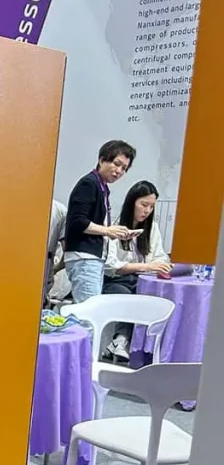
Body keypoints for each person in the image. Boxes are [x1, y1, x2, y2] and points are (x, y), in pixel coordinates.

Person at [102, 180, 171, 358]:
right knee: (130, 297)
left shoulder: (151, 228)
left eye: (151, 207)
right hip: (114, 280)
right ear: (132, 202)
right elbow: (111, 266)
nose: (147, 211)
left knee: (153, 295)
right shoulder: (115, 226)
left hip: (140, 279)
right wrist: (146, 266)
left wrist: (161, 265)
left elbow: (159, 255)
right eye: (144, 205)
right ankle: (122, 340)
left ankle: (129, 345)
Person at [64, 140, 138, 302]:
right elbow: (77, 221)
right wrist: (107, 230)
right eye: (116, 164)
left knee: (90, 309)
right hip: (84, 257)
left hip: (94, 257)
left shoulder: (101, 186)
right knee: (88, 311)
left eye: (124, 168)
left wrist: (115, 232)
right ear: (102, 160)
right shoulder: (89, 184)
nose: (119, 171)